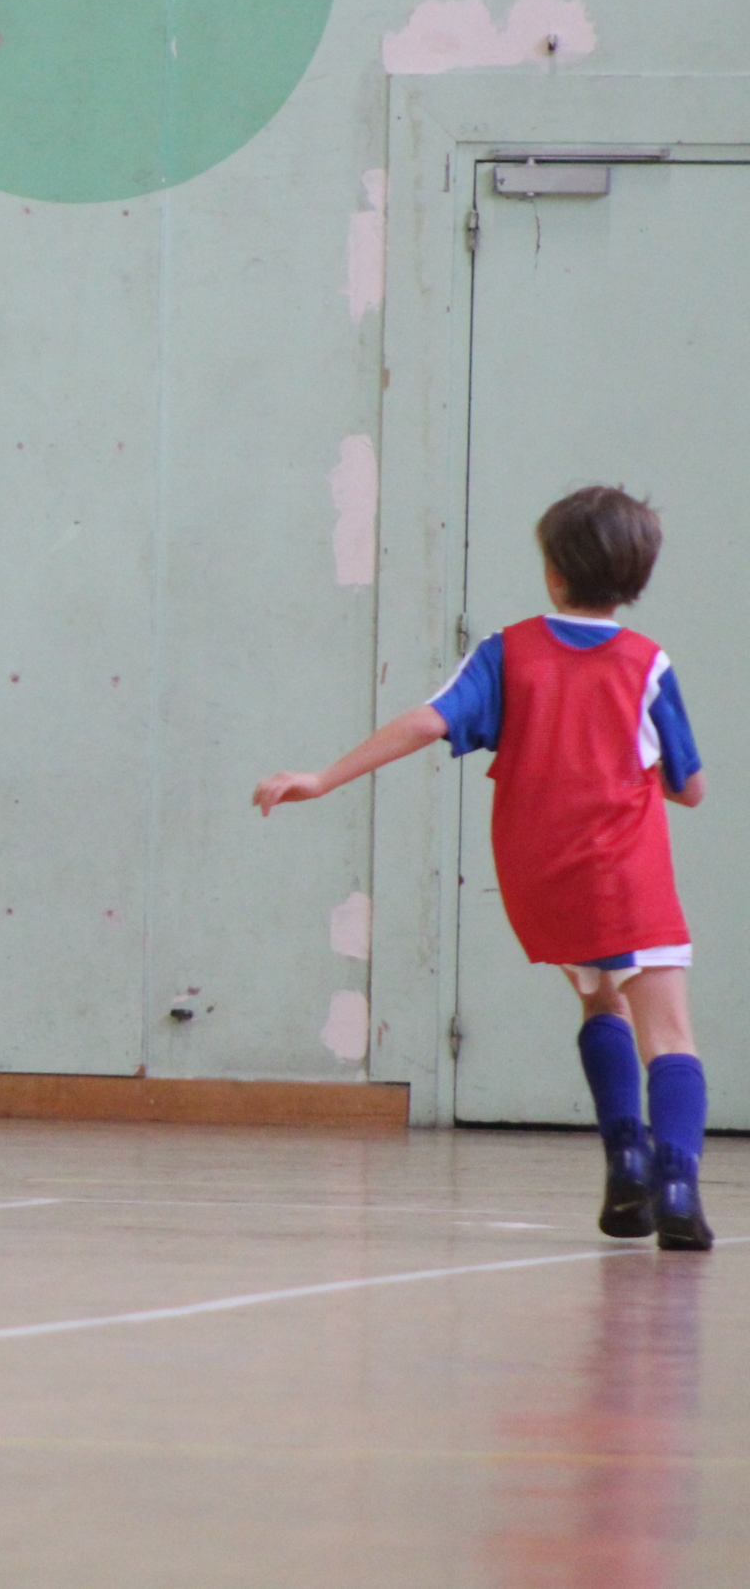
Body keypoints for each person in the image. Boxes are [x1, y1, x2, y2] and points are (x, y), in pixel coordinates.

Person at [255, 486, 713, 1251]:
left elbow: (424, 720)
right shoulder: (646, 664)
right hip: (624, 873)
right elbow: (690, 788)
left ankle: (624, 1160)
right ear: (637, 578)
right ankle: (674, 1181)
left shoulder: (509, 651)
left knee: (600, 999)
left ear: (553, 573)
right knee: (669, 1035)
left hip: (544, 878)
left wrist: (323, 777)